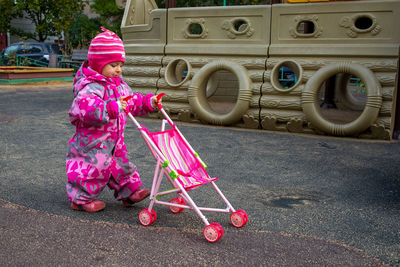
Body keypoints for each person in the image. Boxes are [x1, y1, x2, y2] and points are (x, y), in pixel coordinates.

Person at [66, 27, 161, 212]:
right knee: (91, 169)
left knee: (122, 166)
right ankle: (80, 199)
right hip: (92, 143)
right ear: (98, 64)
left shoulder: (120, 86)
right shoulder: (91, 87)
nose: (118, 70)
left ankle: (129, 193)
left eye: (120, 65)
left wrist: (148, 102)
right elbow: (84, 109)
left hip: (114, 141)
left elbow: (131, 102)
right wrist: (111, 108)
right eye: (113, 65)